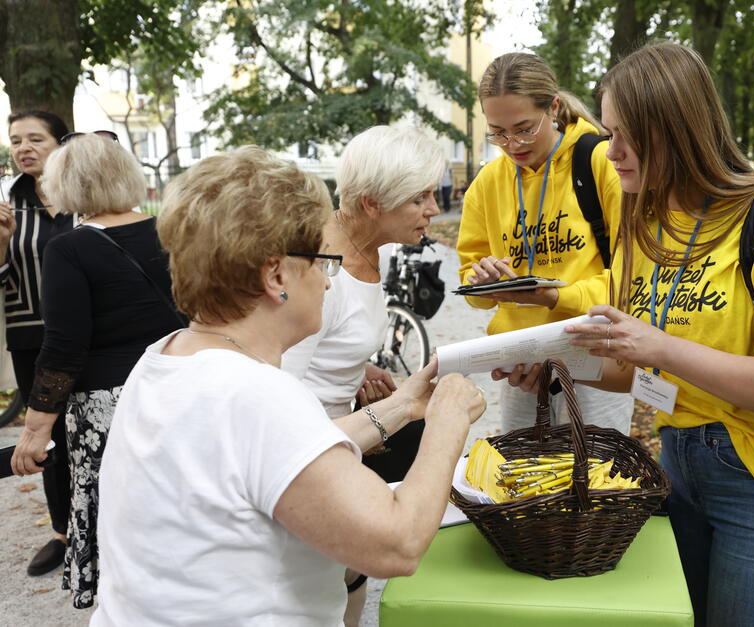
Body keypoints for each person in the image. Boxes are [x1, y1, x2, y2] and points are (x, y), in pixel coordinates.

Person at [498, 43, 754, 627]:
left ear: (684, 131)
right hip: (674, 469)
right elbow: (629, 368)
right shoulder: (644, 224)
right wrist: (554, 367)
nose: (614, 153)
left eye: (634, 135)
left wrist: (661, 347)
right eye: (608, 132)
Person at [88, 146, 485, 626]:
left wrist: (403, 404)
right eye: (321, 263)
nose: (328, 282)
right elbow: (397, 543)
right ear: (276, 274)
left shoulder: (163, 359)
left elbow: (290, 457)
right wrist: (447, 422)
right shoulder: (258, 395)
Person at [10, 133, 184, 608]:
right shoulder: (172, 230)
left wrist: (35, 429)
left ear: (65, 184)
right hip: (177, 387)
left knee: (120, 514)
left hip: (111, 406)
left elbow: (64, 346)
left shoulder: (69, 248)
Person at [280, 125, 444, 625]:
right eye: (419, 198)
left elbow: (328, 344)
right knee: (320, 593)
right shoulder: (321, 273)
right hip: (307, 455)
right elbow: (277, 388)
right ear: (372, 203)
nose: (434, 209)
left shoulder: (371, 251)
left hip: (340, 440)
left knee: (346, 582)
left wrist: (356, 368)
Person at [456, 52, 633, 434]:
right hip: (522, 363)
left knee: (598, 483)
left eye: (524, 128)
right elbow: (473, 289)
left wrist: (556, 297)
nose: (512, 144)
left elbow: (631, 275)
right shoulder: (487, 184)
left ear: (553, 107)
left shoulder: (601, 161)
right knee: (528, 484)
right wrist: (480, 280)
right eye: (498, 132)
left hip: (594, 354)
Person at [0, 110, 73, 577]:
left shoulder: (84, 197)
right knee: (47, 438)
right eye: (15, 141)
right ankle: (63, 532)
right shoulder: (7, 202)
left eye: (34, 139)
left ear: (59, 144)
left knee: (101, 432)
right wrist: (3, 239)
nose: (23, 147)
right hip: (29, 334)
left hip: (90, 335)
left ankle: (112, 528)